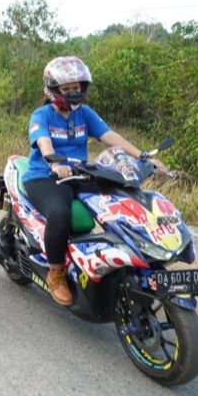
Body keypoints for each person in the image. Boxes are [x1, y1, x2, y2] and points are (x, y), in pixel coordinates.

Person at [23, 56, 167, 306]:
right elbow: (43, 141)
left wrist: (142, 157)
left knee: (120, 202)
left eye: (76, 88)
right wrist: (54, 163)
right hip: (45, 176)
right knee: (59, 214)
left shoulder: (85, 114)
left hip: (81, 173)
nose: (73, 93)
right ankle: (56, 271)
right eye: (67, 89)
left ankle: (130, 256)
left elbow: (109, 136)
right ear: (54, 90)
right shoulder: (42, 115)